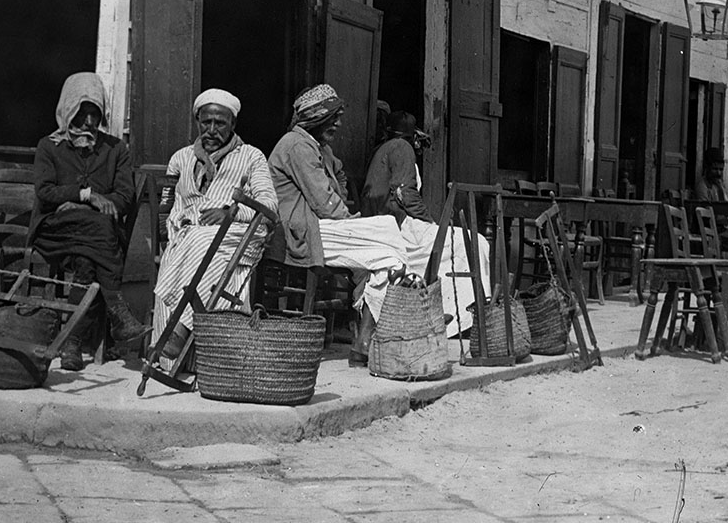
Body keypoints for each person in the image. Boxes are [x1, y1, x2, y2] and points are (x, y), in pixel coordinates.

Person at [269, 85, 490, 367]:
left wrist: (343, 195)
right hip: (301, 230)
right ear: (316, 116)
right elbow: (324, 202)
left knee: (386, 257)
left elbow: (338, 172)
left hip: (319, 226)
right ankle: (396, 323)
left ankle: (365, 339)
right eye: (333, 117)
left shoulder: (317, 148)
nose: (337, 124)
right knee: (386, 232)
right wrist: (352, 219)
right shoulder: (297, 145)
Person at [28, 72, 148, 370]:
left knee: (87, 261)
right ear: (68, 110)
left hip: (92, 236)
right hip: (54, 230)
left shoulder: (115, 149)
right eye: (83, 113)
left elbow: (124, 195)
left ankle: (72, 341)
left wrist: (82, 206)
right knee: (102, 230)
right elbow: (45, 193)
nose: (90, 123)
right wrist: (86, 195)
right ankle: (119, 314)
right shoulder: (49, 146)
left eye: (95, 114)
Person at [154, 89, 278, 359]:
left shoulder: (251, 156)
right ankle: (170, 354)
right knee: (180, 248)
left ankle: (180, 329)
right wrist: (173, 225)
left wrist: (230, 212)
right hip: (192, 233)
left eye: (219, 123)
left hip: (240, 233)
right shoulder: (181, 157)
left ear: (233, 124)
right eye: (205, 122)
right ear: (197, 121)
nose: (211, 129)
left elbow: (269, 205)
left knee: (199, 241)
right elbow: (168, 203)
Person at [361, 109, 490, 338]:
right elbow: (403, 193)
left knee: (454, 247)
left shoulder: (379, 150)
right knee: (475, 242)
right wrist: (429, 221)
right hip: (400, 228)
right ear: (411, 136)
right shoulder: (402, 148)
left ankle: (453, 316)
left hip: (384, 226)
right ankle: (470, 319)